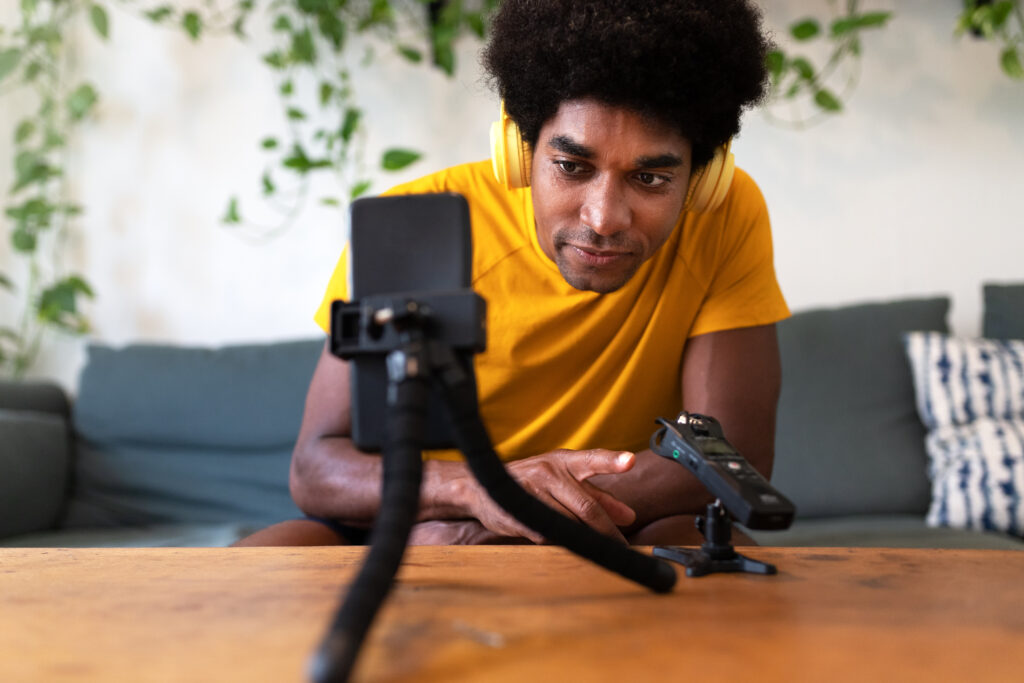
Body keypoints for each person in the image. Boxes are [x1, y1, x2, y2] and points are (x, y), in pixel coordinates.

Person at [237, 0, 788, 547]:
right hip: (423, 518)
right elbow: (316, 468)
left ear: (703, 179)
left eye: (650, 179)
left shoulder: (725, 213)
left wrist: (514, 508)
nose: (603, 218)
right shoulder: (414, 220)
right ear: (519, 149)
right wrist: (468, 492)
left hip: (622, 521)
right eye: (572, 167)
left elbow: (732, 456)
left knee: (694, 545)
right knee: (275, 554)